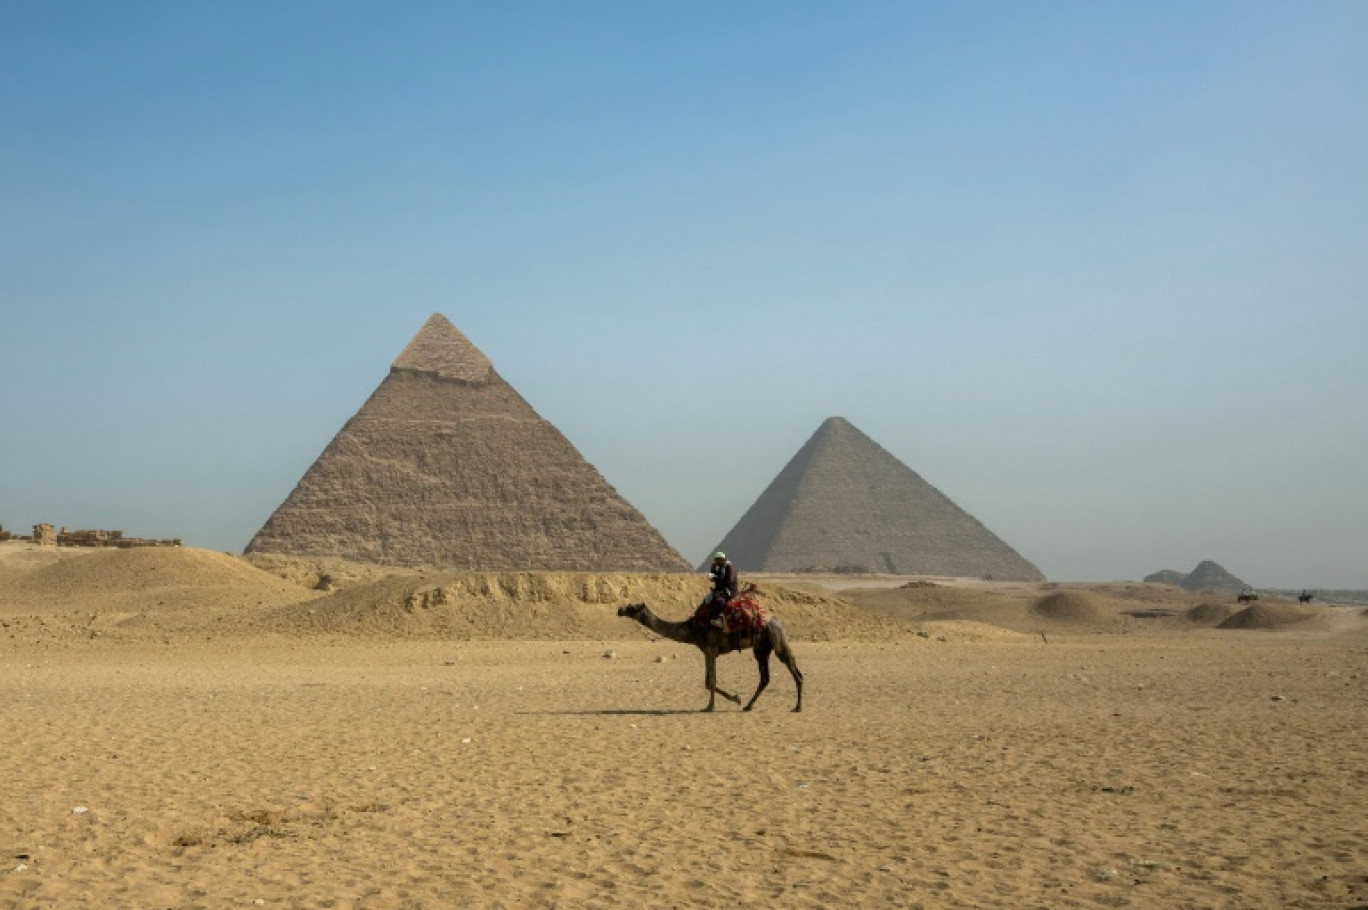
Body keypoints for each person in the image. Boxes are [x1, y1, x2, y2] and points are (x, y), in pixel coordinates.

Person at [704, 551, 738, 627]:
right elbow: (716, 576)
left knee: (718, 599)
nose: (716, 562)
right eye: (716, 560)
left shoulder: (729, 567)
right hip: (721, 589)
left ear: (723, 559)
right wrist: (712, 570)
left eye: (718, 560)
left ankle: (720, 618)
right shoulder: (721, 567)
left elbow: (729, 580)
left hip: (729, 590)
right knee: (708, 598)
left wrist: (716, 578)